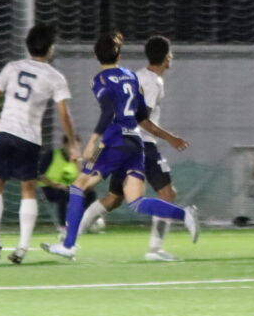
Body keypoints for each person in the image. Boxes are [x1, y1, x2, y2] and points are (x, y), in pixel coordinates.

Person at [41, 32, 192, 262]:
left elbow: (109, 112)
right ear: (119, 55)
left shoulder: (99, 80)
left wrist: (92, 141)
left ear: (96, 56)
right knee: (132, 200)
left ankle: (68, 244)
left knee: (78, 186)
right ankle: (183, 216)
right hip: (135, 142)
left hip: (113, 141)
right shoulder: (131, 77)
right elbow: (141, 116)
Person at [0, 23, 80, 264]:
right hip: (29, 138)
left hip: (4, 132)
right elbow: (64, 114)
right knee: (27, 189)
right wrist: (73, 143)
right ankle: (22, 247)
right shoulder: (54, 76)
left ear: (28, 46)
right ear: (50, 48)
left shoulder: (12, 67)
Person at [37, 132, 81, 232]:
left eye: (77, 147)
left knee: (89, 194)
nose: (75, 149)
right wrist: (55, 185)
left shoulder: (77, 161)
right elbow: (40, 176)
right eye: (72, 146)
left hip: (68, 188)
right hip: (48, 188)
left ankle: (83, 223)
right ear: (65, 144)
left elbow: (82, 179)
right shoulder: (52, 155)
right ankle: (63, 226)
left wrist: (78, 162)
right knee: (62, 194)